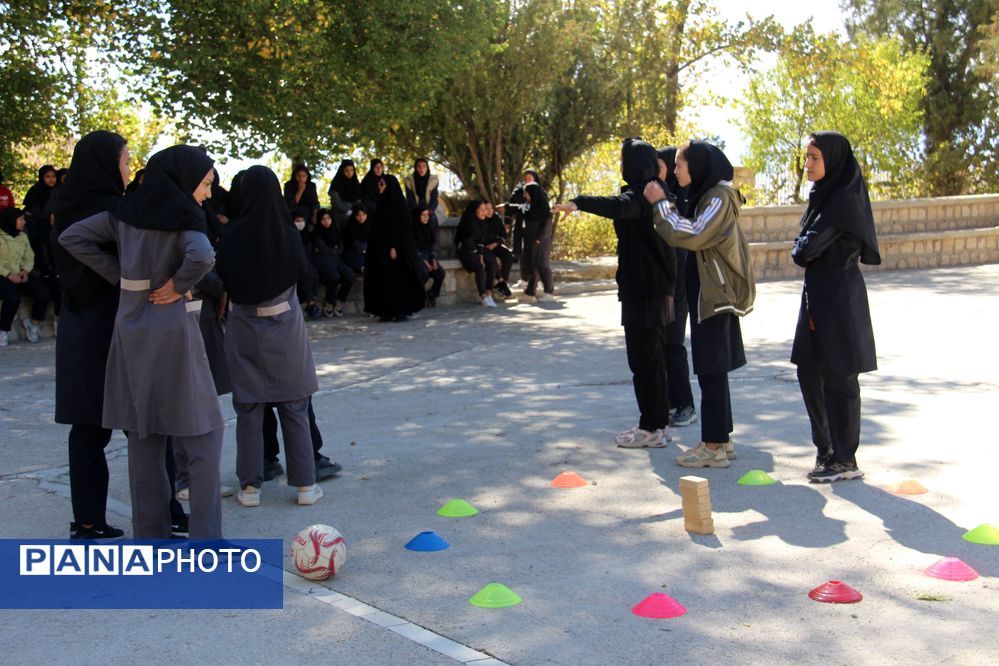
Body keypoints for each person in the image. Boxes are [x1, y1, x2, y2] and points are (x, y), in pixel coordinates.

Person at [59, 144, 225, 539]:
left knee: (144, 433)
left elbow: (72, 237)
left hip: (130, 327)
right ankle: (207, 538)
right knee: (204, 431)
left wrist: (119, 275)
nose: (208, 193)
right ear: (186, 180)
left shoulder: (124, 212)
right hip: (172, 329)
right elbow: (202, 256)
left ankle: (150, 536)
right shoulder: (186, 216)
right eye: (205, 184)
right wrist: (177, 284)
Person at [554, 138, 676, 448]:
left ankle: (650, 427)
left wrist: (579, 202)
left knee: (643, 361)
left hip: (644, 290)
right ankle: (659, 425)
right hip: (656, 288)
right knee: (654, 360)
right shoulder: (659, 192)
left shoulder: (642, 194)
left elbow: (618, 207)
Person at [644, 141, 755, 468]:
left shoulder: (719, 198)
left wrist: (661, 204)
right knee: (711, 370)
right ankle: (721, 439)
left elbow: (692, 233)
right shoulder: (708, 195)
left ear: (699, 167)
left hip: (716, 296)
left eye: (680, 165)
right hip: (709, 294)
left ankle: (714, 446)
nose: (676, 170)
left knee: (711, 369)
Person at [216, 165, 322, 507]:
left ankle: (249, 488)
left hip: (244, 329)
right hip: (285, 329)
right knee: (294, 405)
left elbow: (222, 279)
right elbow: (303, 275)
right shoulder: (287, 233)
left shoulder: (231, 235)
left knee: (248, 408)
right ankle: (305, 484)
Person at [47, 131, 129, 539]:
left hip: (78, 327)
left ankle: (88, 520)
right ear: (106, 164)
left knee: (87, 430)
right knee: (144, 427)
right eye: (125, 160)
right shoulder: (113, 212)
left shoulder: (62, 208)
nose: (129, 169)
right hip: (114, 326)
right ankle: (165, 511)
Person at [791, 132, 880, 483]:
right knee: (809, 370)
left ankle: (845, 459)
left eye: (815, 157)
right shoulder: (822, 197)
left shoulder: (842, 200)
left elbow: (805, 250)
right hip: (817, 296)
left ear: (833, 160)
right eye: (807, 157)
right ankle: (826, 449)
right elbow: (804, 246)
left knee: (840, 375)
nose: (808, 164)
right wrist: (803, 245)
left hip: (840, 297)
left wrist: (803, 246)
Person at [657, 147, 697, 428]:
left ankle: (685, 404)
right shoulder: (662, 194)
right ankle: (671, 401)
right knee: (661, 345)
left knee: (673, 344)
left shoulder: (683, 196)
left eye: (662, 165)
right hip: (663, 281)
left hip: (679, 282)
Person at [362, 171, 426, 321]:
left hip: (395, 251)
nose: (380, 187)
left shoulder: (399, 207)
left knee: (397, 280)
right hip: (380, 250)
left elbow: (401, 230)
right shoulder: (380, 205)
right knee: (383, 280)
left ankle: (400, 310)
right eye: (379, 184)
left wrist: (394, 246)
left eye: (383, 184)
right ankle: (385, 311)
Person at [0, 208, 51, 346]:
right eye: (21, 219)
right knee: (12, 297)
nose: (24, 222)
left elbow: (29, 256)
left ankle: (33, 324)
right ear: (11, 220)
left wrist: (25, 270)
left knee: (43, 292)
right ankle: (3, 330)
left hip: (19, 273)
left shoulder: (22, 236)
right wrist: (9, 275)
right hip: (3, 274)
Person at [313, 205, 355, 316]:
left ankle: (340, 301)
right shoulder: (317, 232)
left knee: (349, 275)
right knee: (333, 277)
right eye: (323, 219)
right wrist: (335, 249)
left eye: (328, 218)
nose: (326, 221)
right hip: (323, 260)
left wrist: (334, 250)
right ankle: (329, 303)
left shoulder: (336, 230)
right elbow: (323, 249)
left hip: (336, 259)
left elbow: (341, 247)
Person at [455, 200, 498, 308]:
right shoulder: (468, 223)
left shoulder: (482, 222)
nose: (485, 212)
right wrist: (478, 258)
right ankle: (483, 296)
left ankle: (488, 292)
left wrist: (481, 257)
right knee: (479, 267)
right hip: (465, 252)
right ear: (475, 211)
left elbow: (480, 242)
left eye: (485, 210)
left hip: (474, 251)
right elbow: (467, 243)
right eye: (482, 210)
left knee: (491, 262)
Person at [519, 180, 555, 303]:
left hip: (540, 242)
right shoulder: (530, 208)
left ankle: (549, 292)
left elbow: (546, 226)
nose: (525, 196)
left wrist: (539, 239)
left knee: (543, 265)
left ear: (533, 194)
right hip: (530, 241)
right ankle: (530, 293)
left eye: (526, 193)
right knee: (533, 266)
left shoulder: (545, 209)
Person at [412, 205, 445, 307]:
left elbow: (431, 246)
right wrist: (426, 263)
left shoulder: (428, 228)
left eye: (427, 215)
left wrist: (433, 261)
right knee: (423, 273)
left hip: (428, 257)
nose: (426, 217)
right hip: (417, 258)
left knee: (440, 272)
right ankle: (417, 296)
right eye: (423, 215)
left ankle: (432, 294)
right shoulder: (412, 230)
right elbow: (414, 249)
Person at [482, 201, 514, 299]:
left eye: (491, 208)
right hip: (483, 247)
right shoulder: (479, 219)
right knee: (492, 259)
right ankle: (502, 284)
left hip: (494, 245)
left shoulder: (496, 218)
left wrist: (495, 244)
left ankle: (501, 285)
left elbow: (503, 235)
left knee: (508, 256)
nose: (489, 211)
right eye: (486, 209)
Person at [343, 202, 369, 275]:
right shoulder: (350, 226)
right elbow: (356, 246)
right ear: (354, 215)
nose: (361, 218)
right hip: (352, 253)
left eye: (364, 214)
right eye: (358, 215)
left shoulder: (368, 225)